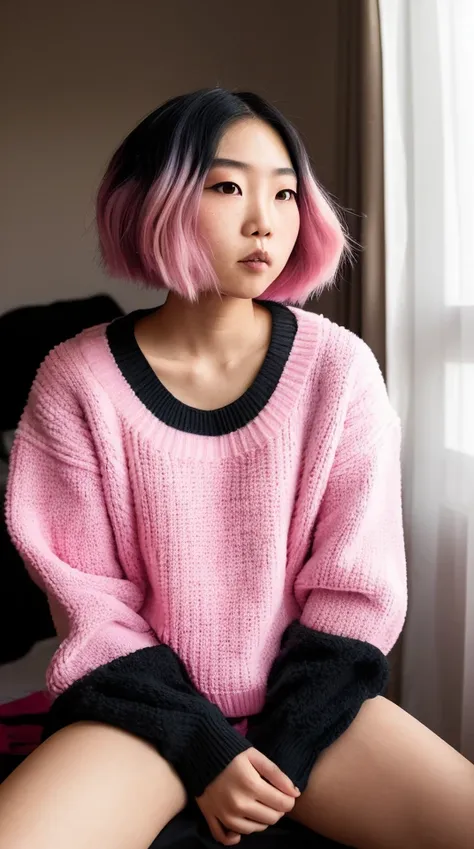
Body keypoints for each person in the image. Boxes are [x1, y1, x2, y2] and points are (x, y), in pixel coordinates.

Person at [0, 88, 473, 849]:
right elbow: (90, 606)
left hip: (314, 710)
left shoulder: (338, 369)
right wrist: (205, 749)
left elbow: (354, 598)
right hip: (143, 716)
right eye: (228, 187)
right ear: (153, 202)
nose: (266, 219)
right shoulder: (77, 377)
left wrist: (277, 758)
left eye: (285, 192)